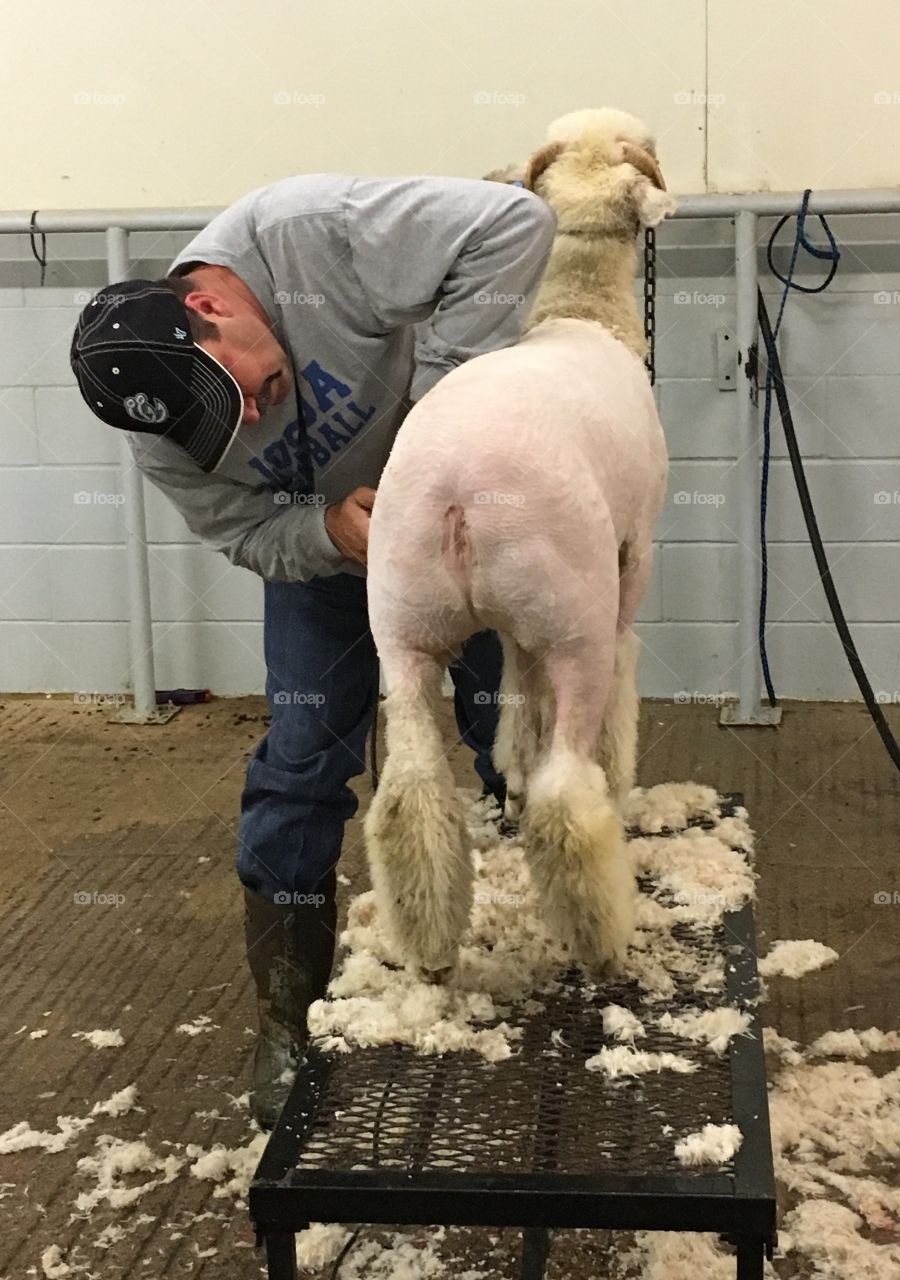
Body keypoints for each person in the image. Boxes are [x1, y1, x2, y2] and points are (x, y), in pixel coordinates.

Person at [69, 171, 556, 1128]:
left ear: (210, 309)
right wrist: (328, 531)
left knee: (513, 732)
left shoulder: (311, 233)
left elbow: (514, 222)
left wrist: (431, 442)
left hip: (465, 524)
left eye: (233, 393)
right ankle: (288, 1015)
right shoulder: (161, 435)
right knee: (299, 762)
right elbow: (246, 532)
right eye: (219, 422)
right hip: (337, 557)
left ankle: (556, 941)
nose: (248, 422)